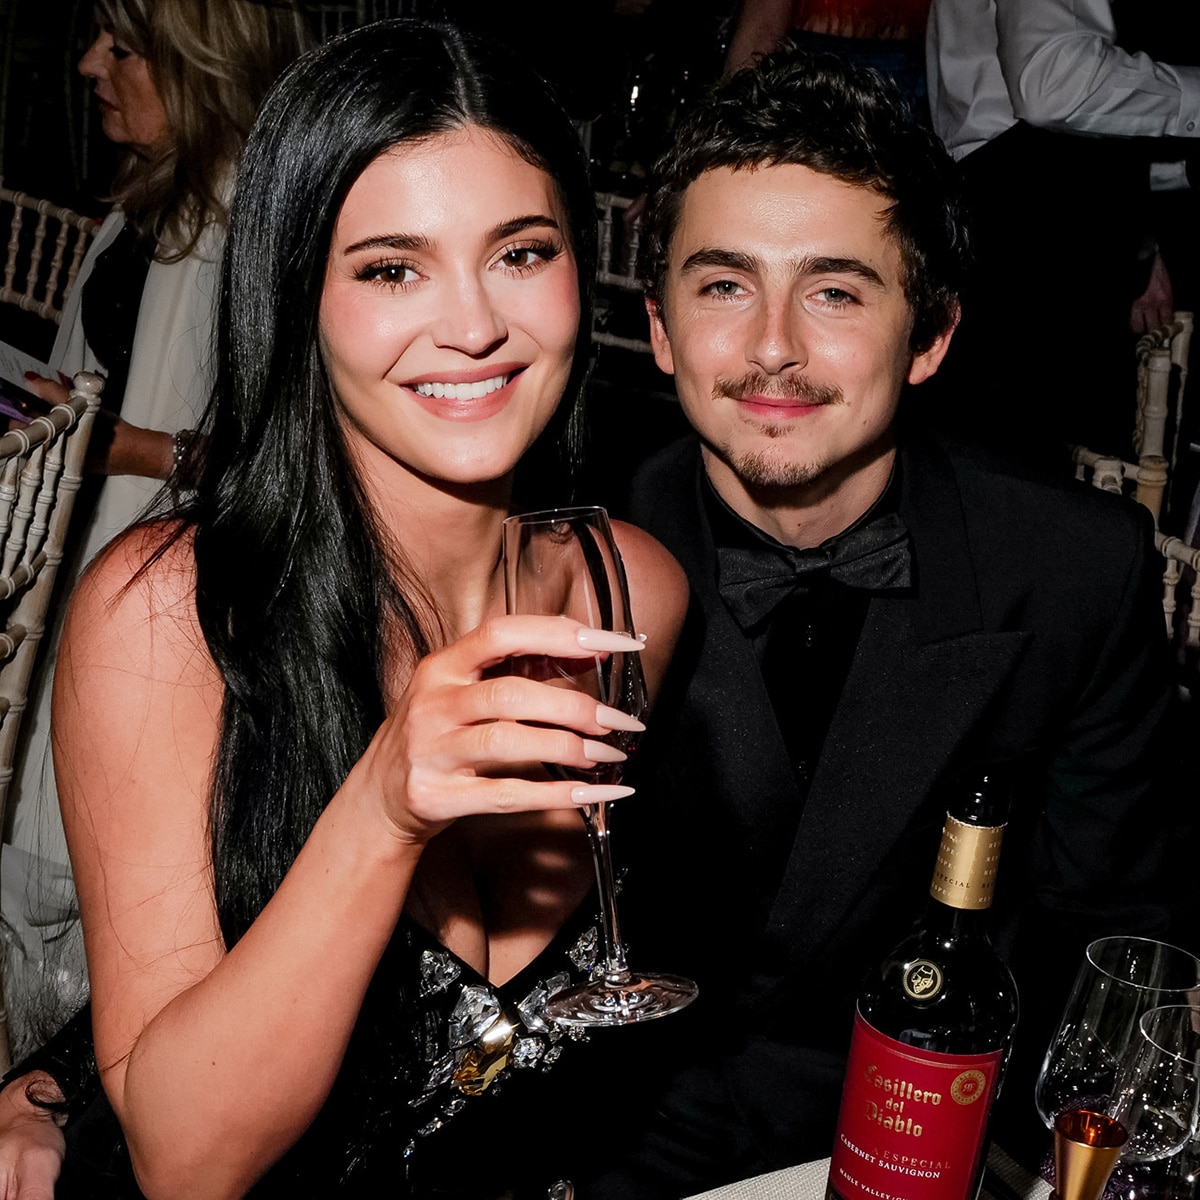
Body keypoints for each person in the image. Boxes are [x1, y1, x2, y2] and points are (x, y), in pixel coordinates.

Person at [6, 18, 688, 1200]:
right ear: (298, 297)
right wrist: (382, 808)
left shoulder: (634, 596)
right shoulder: (168, 620)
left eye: (521, 252)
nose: (472, 324)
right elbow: (186, 1162)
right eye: (390, 268)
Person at [588, 47, 1181, 1194]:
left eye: (835, 291)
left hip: (934, 1145)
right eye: (721, 285)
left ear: (931, 336)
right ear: (659, 328)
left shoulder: (1069, 572)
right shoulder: (570, 552)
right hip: (630, 1141)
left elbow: (1121, 944)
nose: (772, 347)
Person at [4, 0, 313, 1050]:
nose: (91, 62)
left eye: (122, 46)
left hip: (166, 635)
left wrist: (125, 447)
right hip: (74, 585)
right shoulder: (146, 204)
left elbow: (303, 471)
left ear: (197, 63)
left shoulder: (253, 228)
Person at [925, 0, 1200, 458]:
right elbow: (1051, 82)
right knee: (1051, 481)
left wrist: (1145, 233)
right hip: (1032, 222)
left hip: (1011, 205)